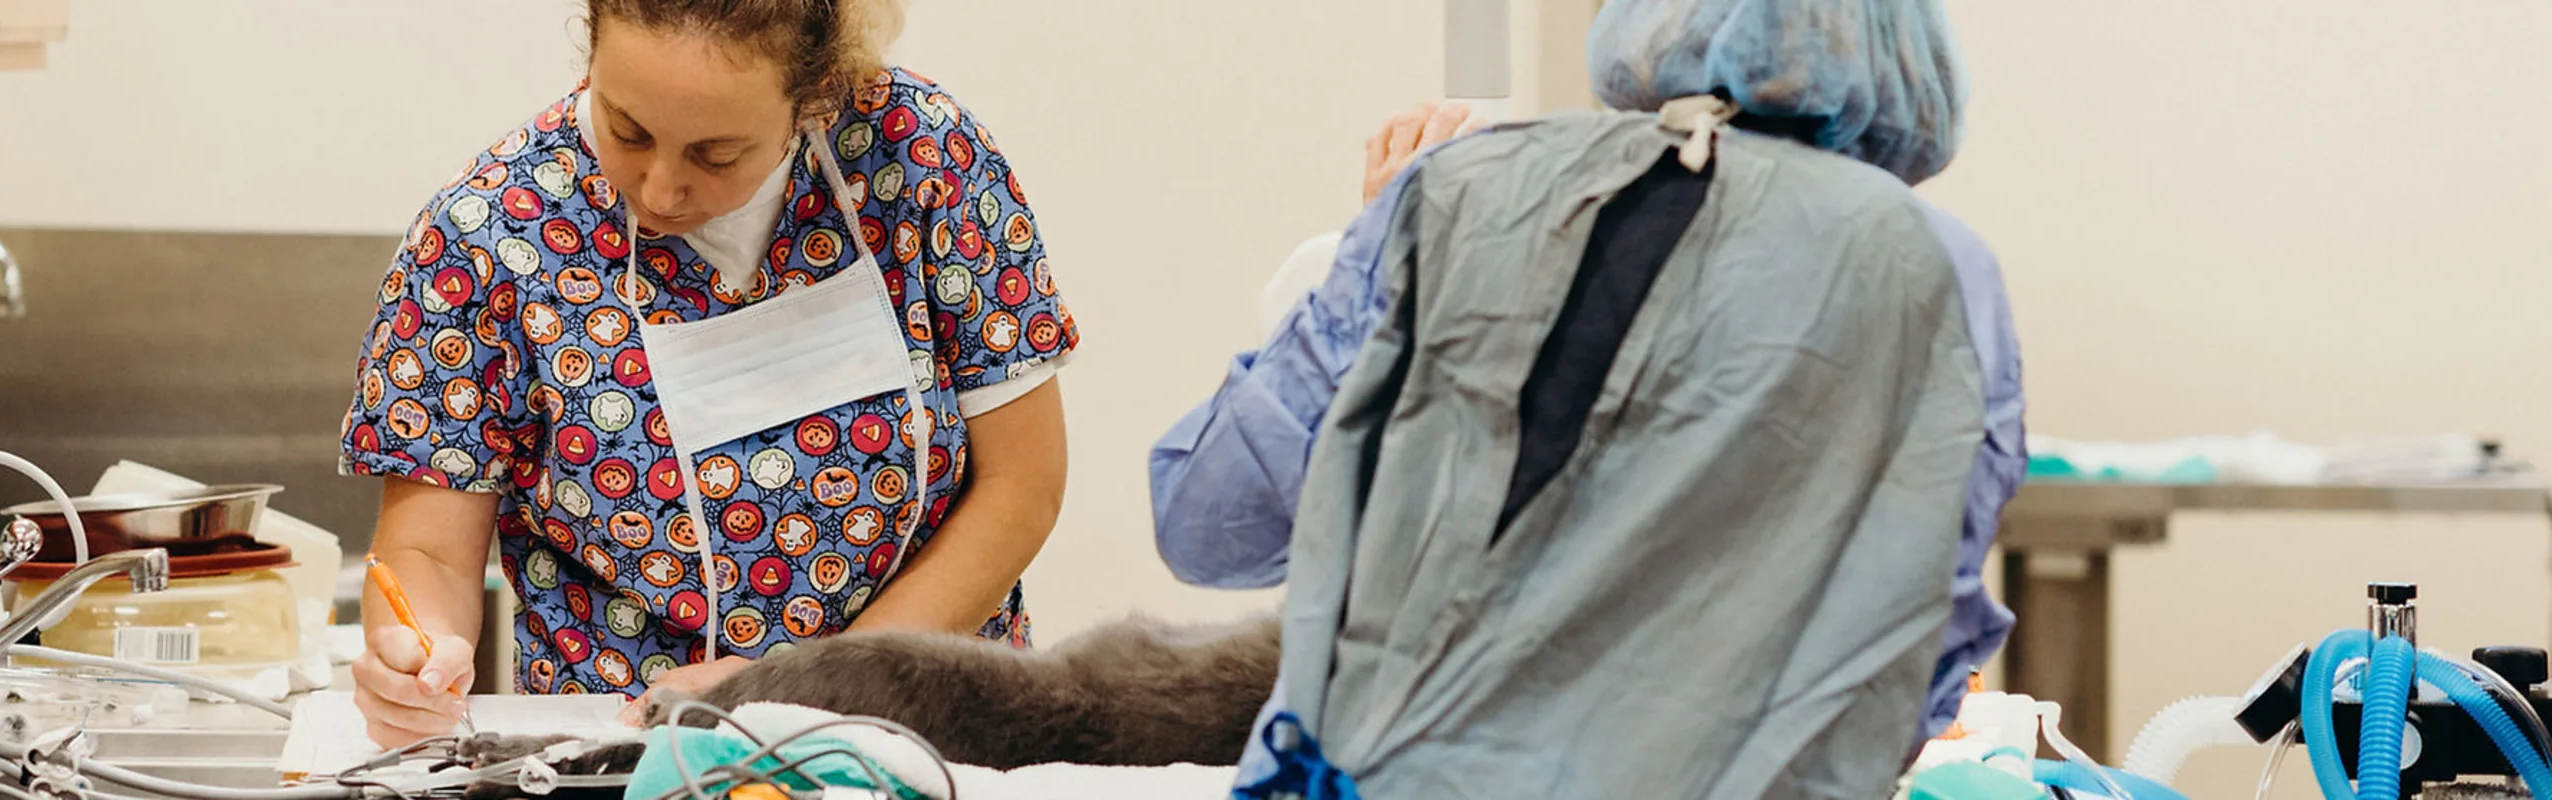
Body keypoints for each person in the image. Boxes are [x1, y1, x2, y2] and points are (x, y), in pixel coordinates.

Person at [1149, 0, 2021, 795]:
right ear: (1907, 48)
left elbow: (1209, 521)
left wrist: (1390, 267)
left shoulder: (1466, 191)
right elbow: (1911, 667)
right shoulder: (1935, 267)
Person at [339, 0, 1076, 747]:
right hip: (630, 757)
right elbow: (428, 553)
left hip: (931, 735)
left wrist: (813, 686)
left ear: (816, 94)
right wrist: (416, 658)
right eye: (627, 129)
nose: (659, 189)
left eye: (715, 154)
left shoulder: (917, 155)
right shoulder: (489, 236)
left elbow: (1020, 487)